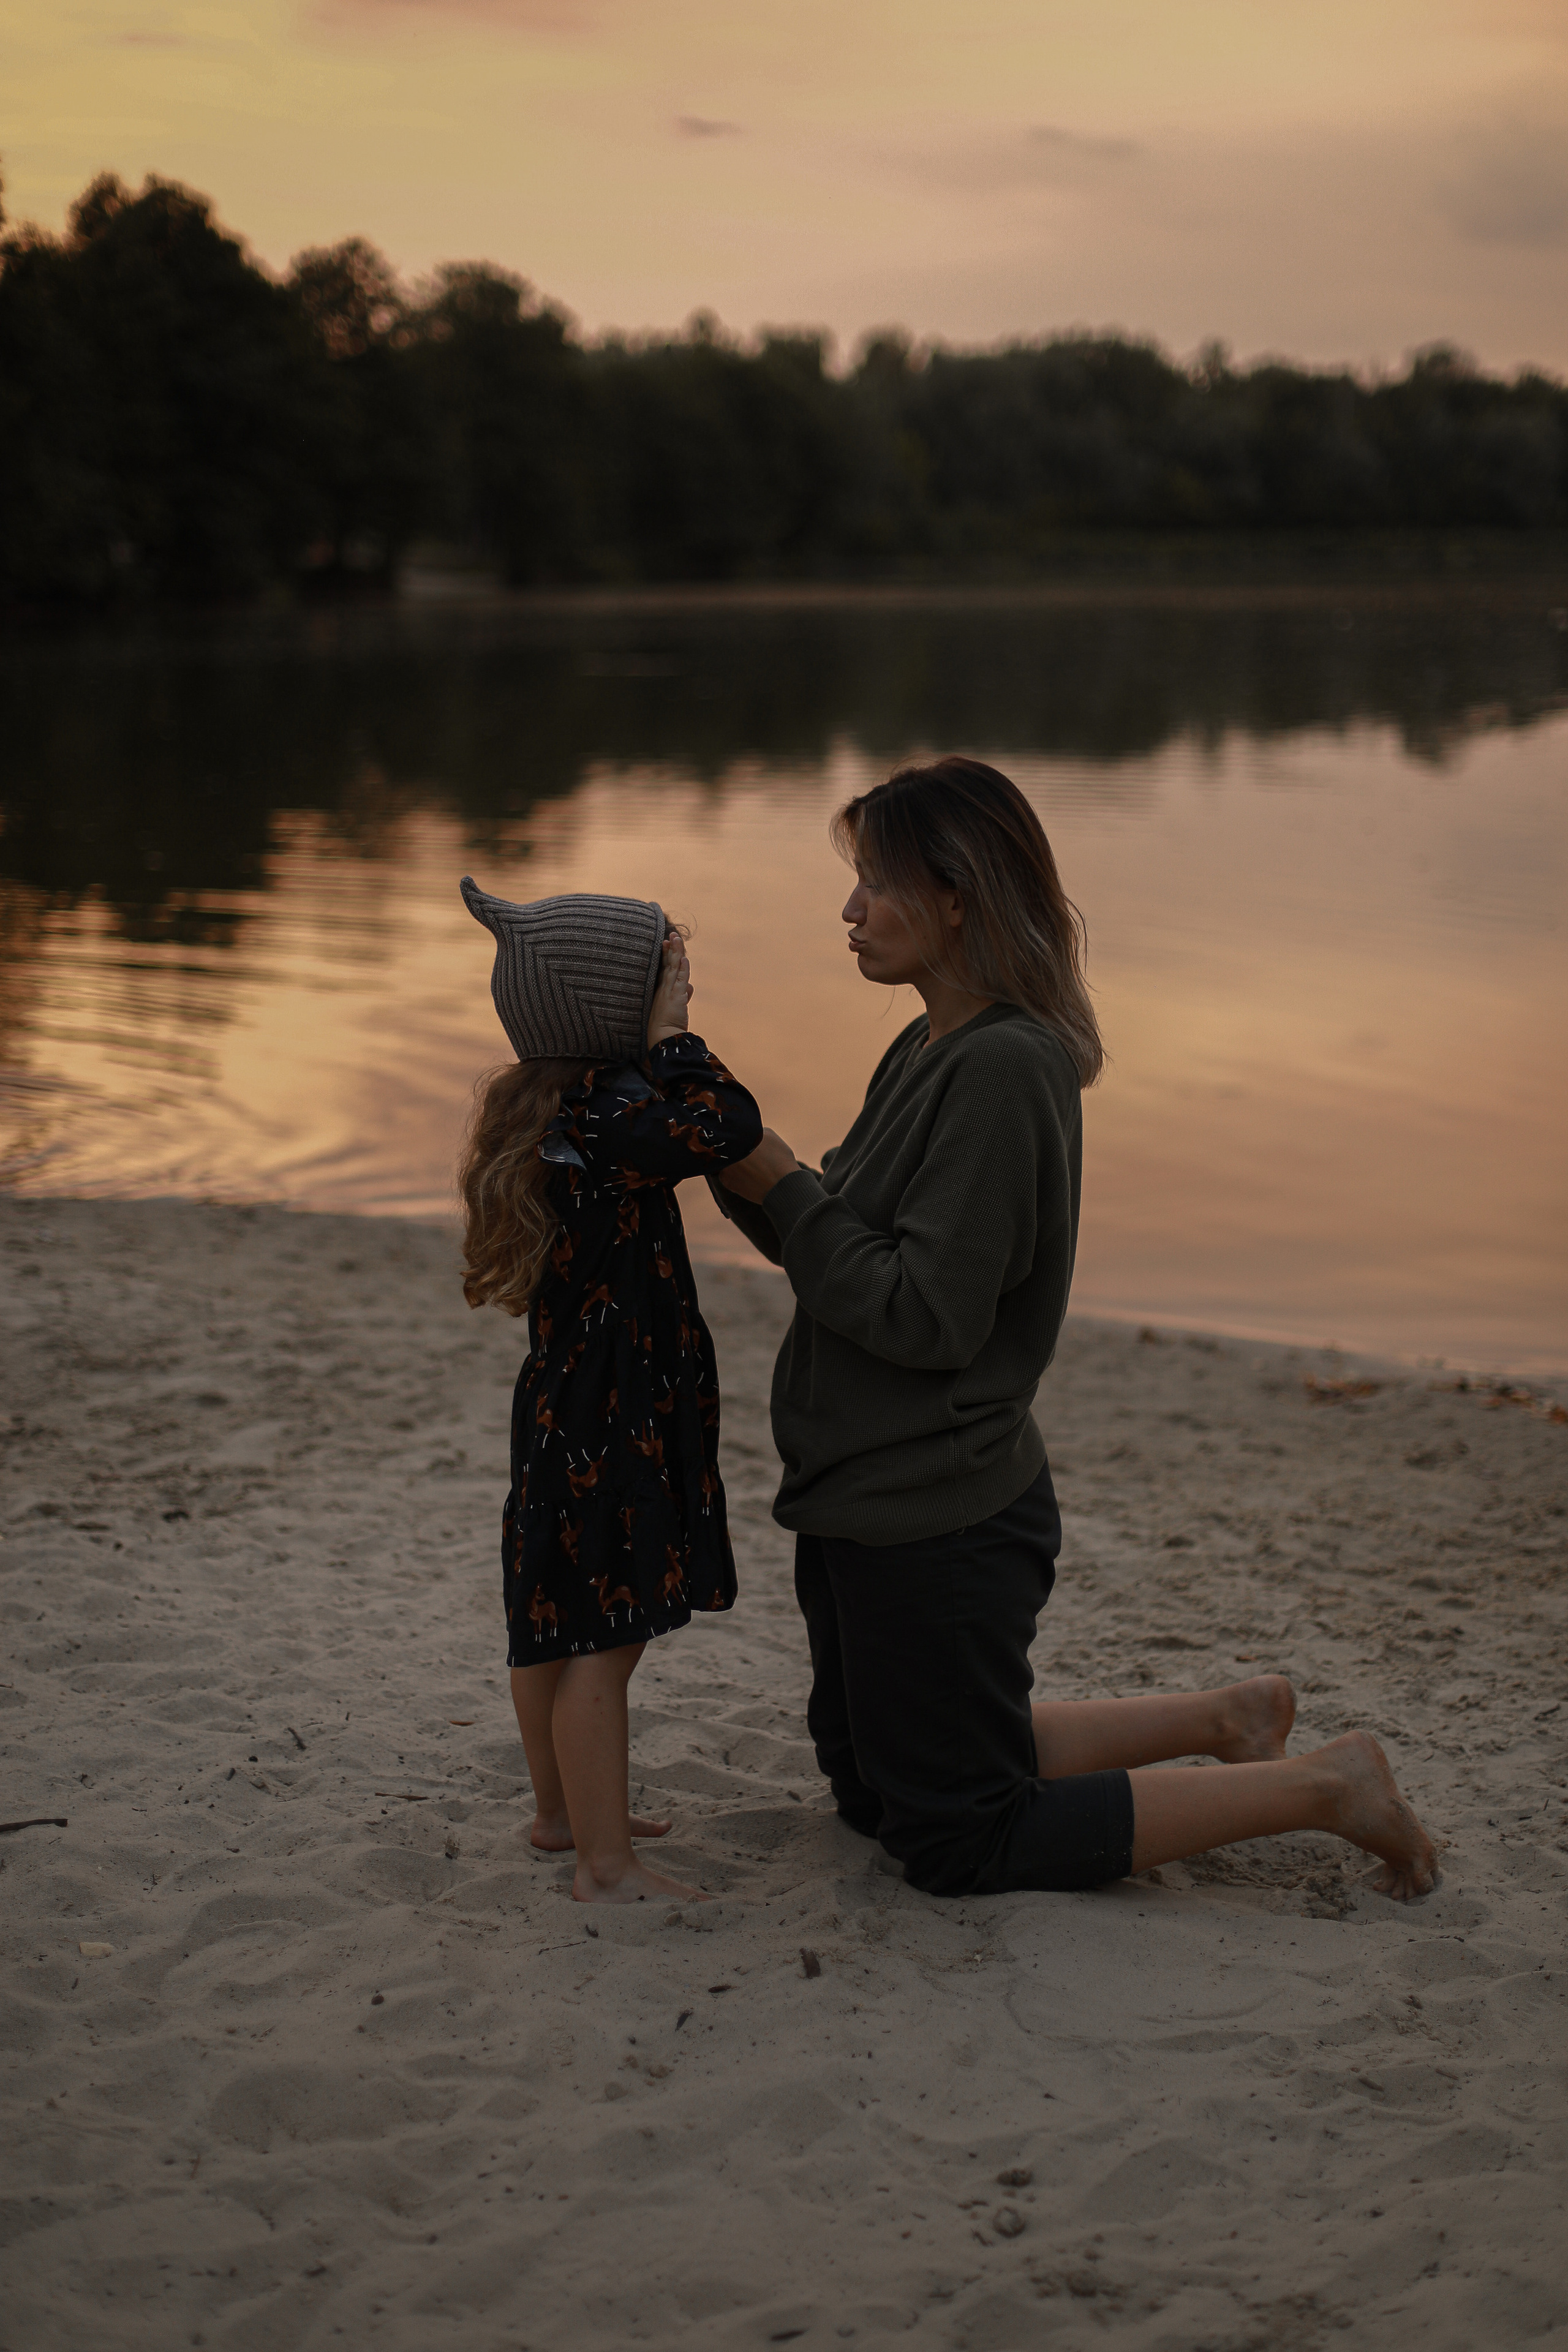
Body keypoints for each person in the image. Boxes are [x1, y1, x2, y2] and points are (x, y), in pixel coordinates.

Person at [719, 757, 1438, 1902]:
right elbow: (840, 1248)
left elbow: (925, 1315)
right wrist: (742, 1161)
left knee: (963, 1842)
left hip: (937, 1510)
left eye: (875, 884)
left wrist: (782, 1186)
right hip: (864, 1494)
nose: (848, 913)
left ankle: (1329, 1786)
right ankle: (1228, 1715)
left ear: (957, 895)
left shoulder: (1003, 1067)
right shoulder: (929, 1046)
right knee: (873, 1793)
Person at [457, 877, 763, 1904]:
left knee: (550, 1614)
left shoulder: (553, 1110)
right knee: (607, 1635)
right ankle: (605, 1865)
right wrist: (678, 1038)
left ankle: (559, 1814)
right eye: (663, 978)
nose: (678, 992)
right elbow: (727, 1127)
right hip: (613, 1412)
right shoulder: (618, 1112)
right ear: (613, 1008)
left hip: (563, 1403)